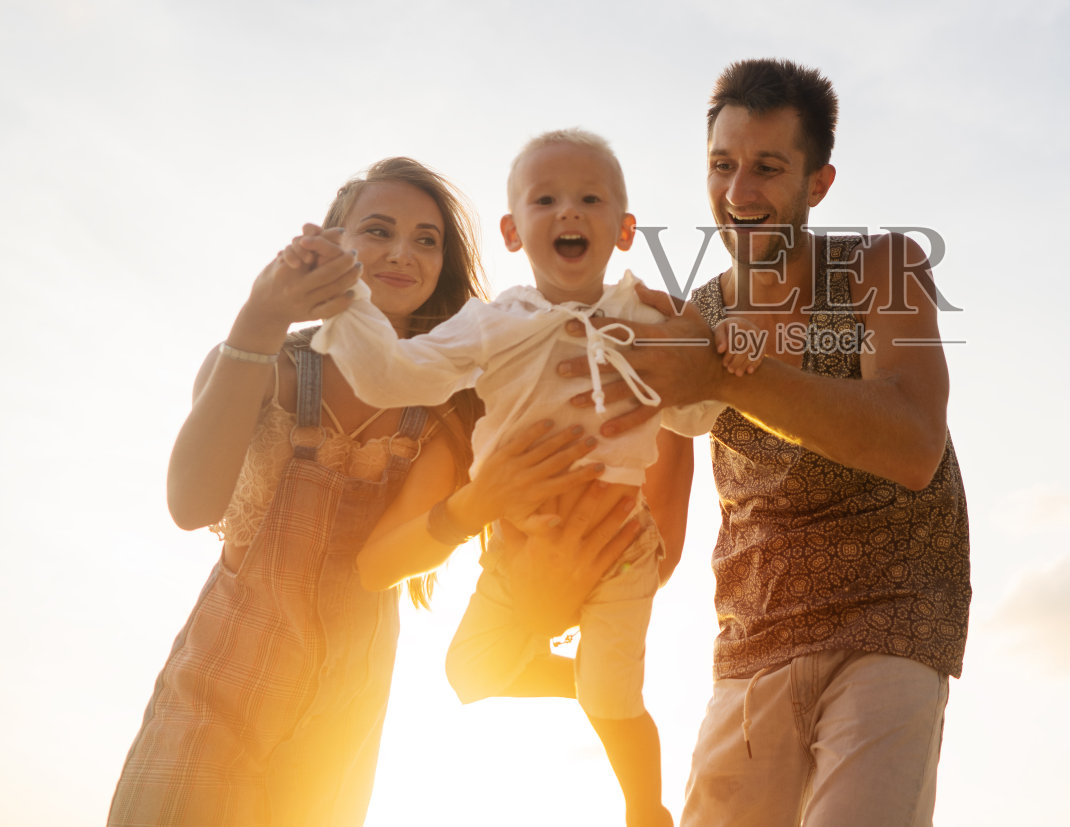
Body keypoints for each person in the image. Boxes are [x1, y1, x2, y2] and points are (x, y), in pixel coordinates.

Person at [109, 158, 637, 827]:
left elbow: (393, 557)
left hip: (341, 719)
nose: (401, 253)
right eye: (379, 230)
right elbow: (191, 505)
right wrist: (258, 318)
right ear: (334, 242)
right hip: (217, 689)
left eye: (426, 240)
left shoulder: (450, 409)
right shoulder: (266, 363)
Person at [560, 59, 971, 827]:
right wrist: (571, 581)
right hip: (751, 641)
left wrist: (728, 373)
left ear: (819, 182)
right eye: (723, 165)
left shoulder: (882, 268)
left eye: (768, 168)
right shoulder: (693, 316)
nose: (739, 192)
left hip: (890, 620)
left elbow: (915, 441)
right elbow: (657, 526)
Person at [311, 130, 732, 827]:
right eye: (545, 200)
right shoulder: (494, 324)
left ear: (624, 229)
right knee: (468, 671)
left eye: (589, 199)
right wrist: (346, 301)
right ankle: (586, 677)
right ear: (512, 232)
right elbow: (392, 374)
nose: (568, 211)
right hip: (518, 538)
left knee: (615, 701)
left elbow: (698, 416)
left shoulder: (644, 318)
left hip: (620, 543)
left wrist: (707, 349)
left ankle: (645, 806)